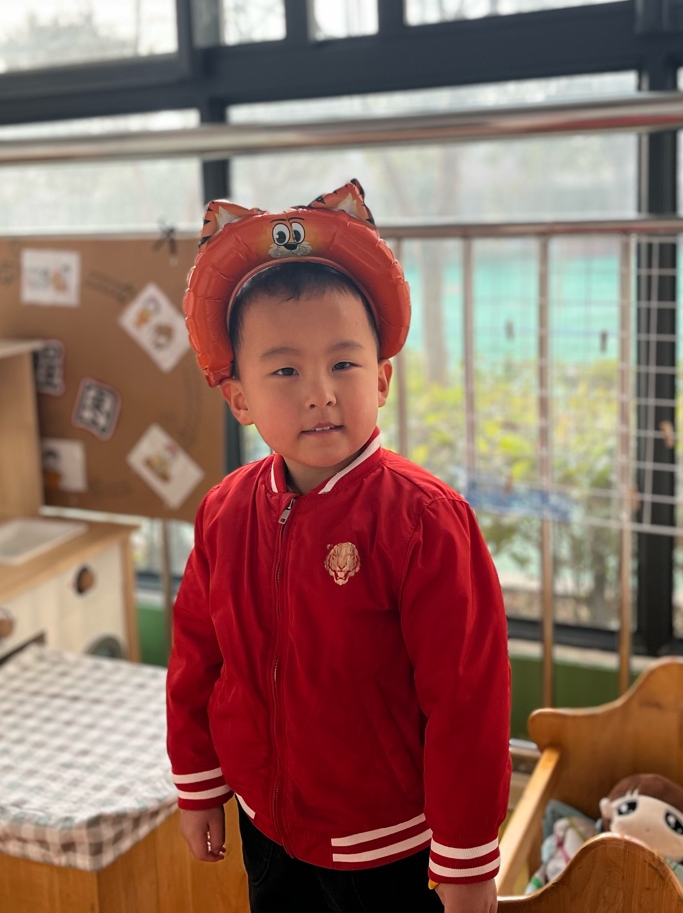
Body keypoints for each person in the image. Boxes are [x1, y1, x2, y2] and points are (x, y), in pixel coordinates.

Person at [167, 180, 511, 913]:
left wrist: (467, 863)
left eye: (344, 364)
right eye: (285, 370)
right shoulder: (225, 513)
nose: (320, 391)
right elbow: (197, 657)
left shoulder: (425, 520)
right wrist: (199, 785)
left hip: (386, 846)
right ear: (240, 398)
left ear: (381, 378)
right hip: (265, 824)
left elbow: (467, 704)